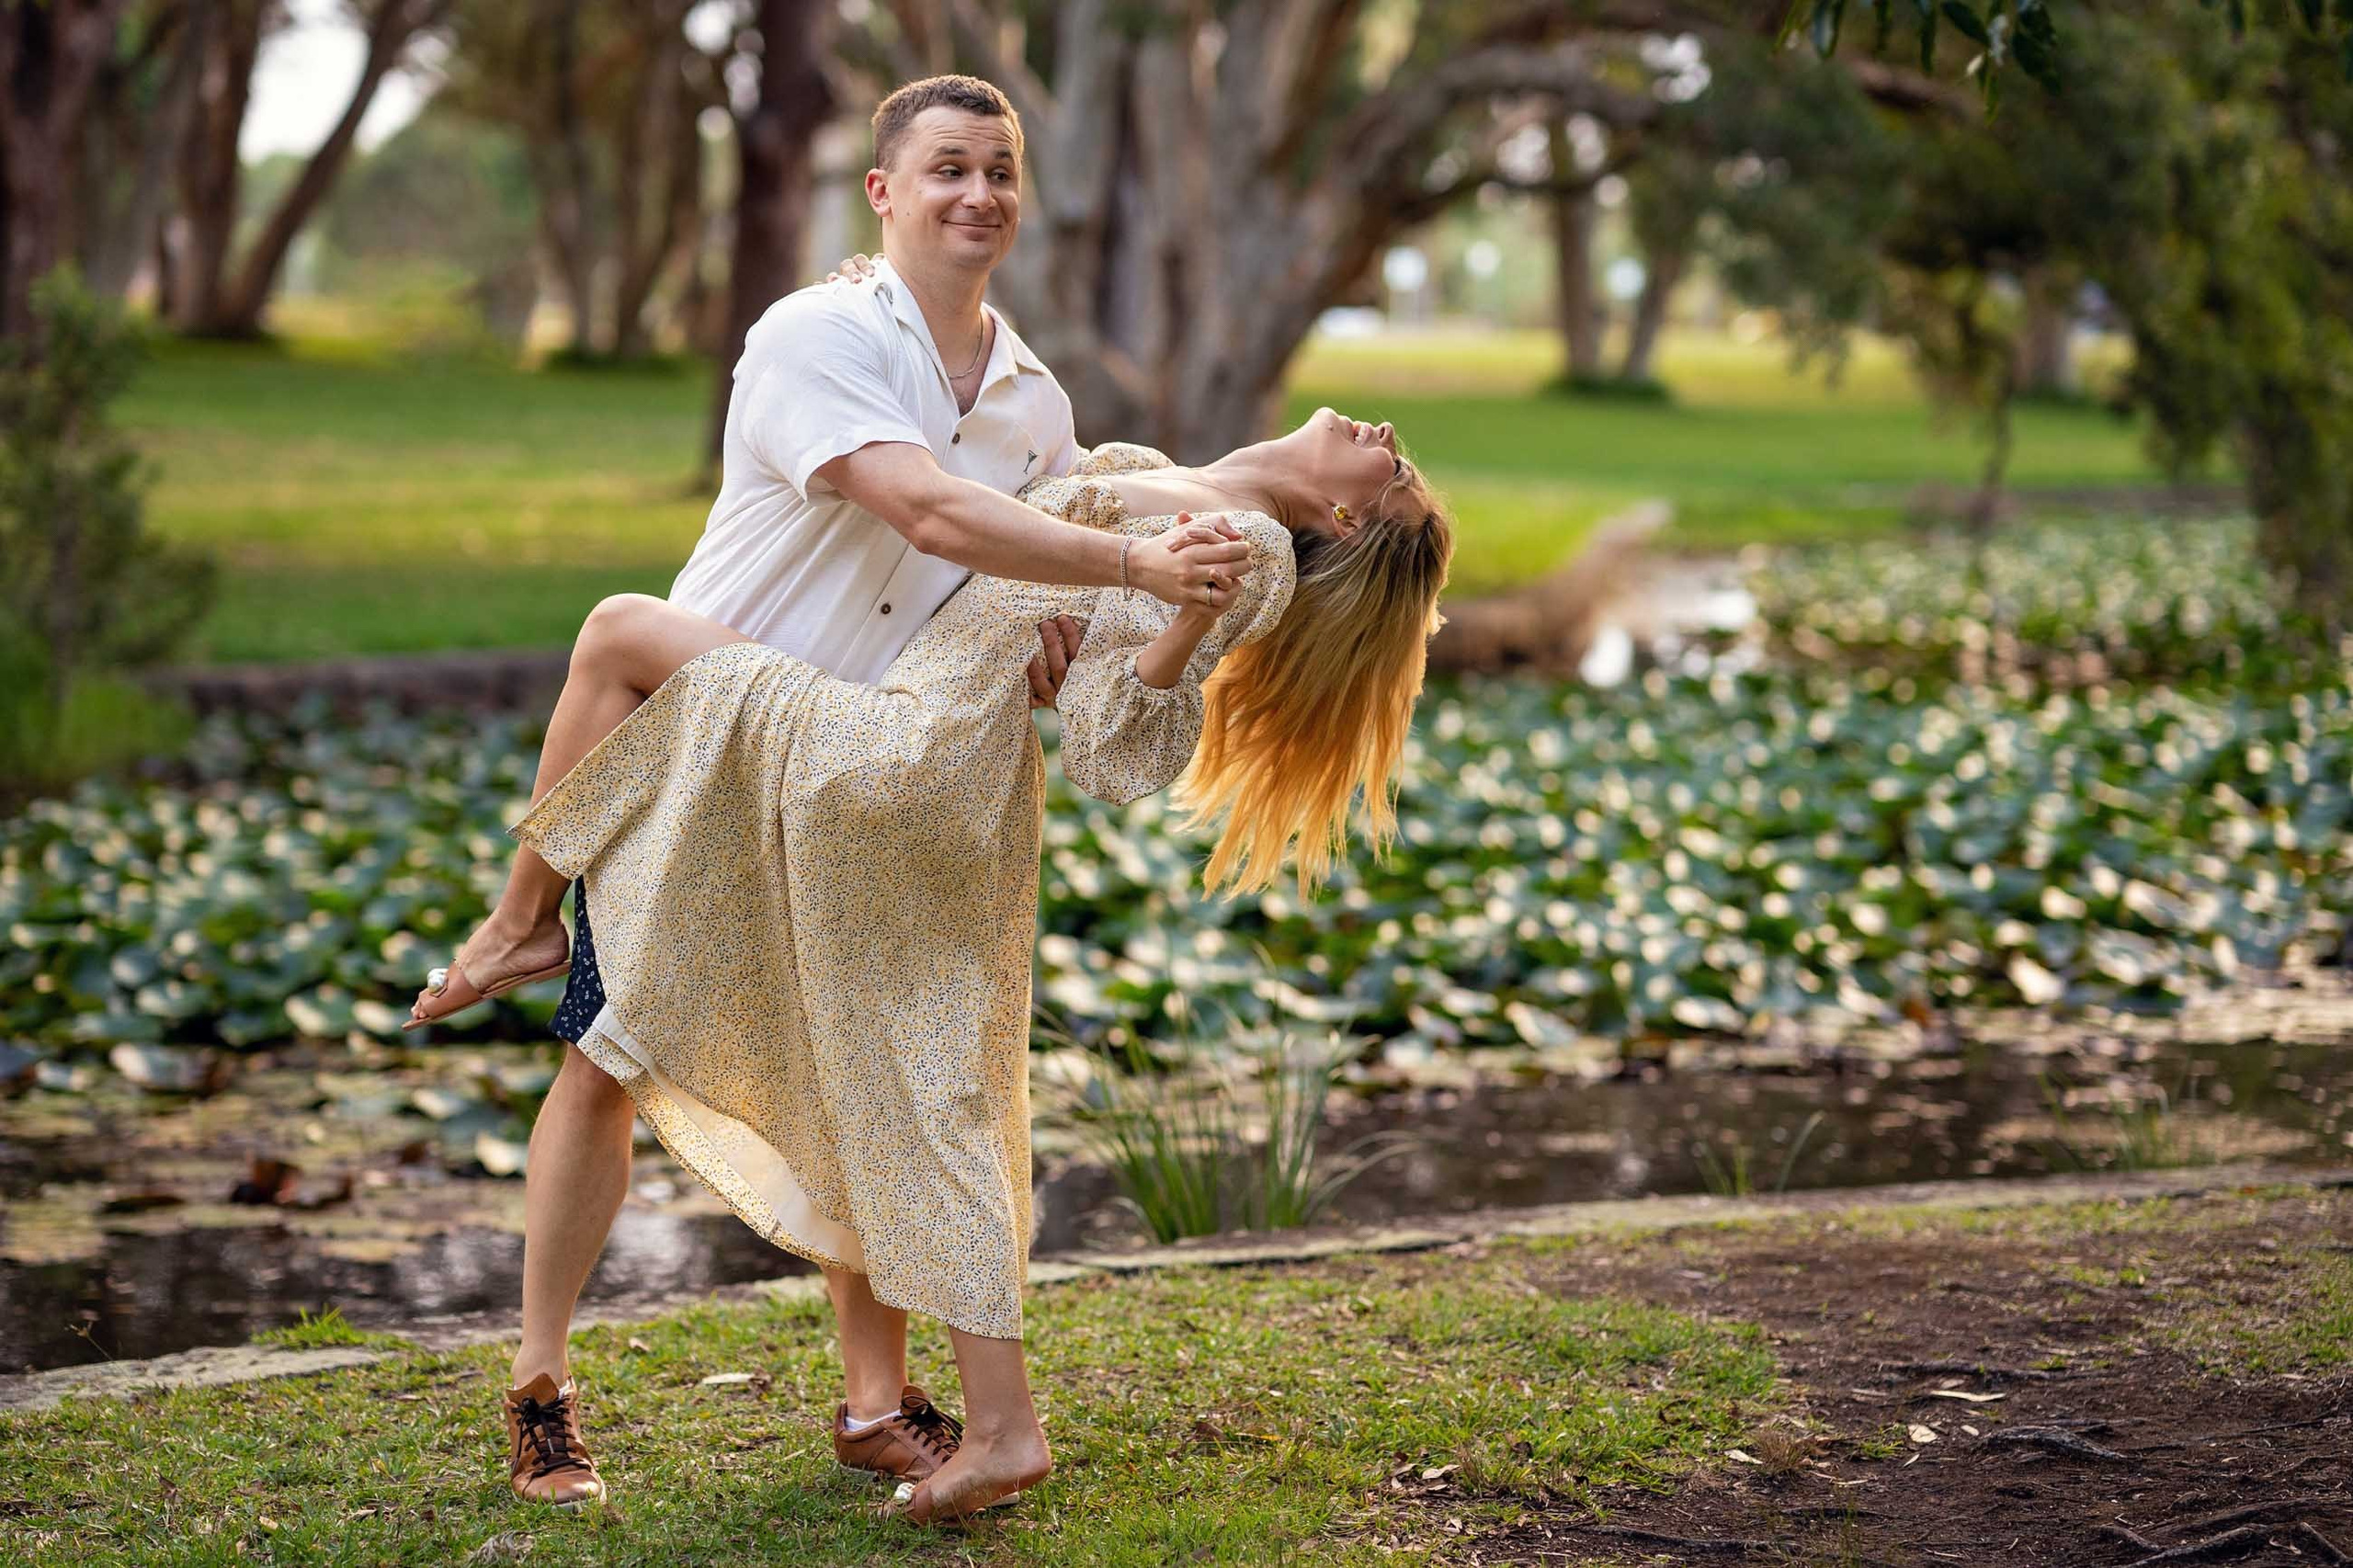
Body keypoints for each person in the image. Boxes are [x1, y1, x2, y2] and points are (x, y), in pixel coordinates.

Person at [399, 74, 1256, 1514]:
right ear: (882, 191)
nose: (977, 193)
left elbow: (997, 566)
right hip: (712, 732)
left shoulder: (1037, 400)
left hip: (859, 772)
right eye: (946, 168)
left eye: (998, 169)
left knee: (867, 1071)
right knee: (607, 1062)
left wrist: (1051, 629)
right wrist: (1124, 568)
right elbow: (922, 507)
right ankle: (541, 1389)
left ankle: (879, 1401)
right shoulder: (818, 333)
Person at [417, 408, 1451, 1522]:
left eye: (1390, 467)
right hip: (930, 762)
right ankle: (901, 1408)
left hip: (905, 754)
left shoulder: (1240, 545)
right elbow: (1007, 510)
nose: (1384, 431)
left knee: (620, 629)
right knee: (902, 1090)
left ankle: (519, 923)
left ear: (1342, 514)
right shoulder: (1160, 474)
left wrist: (1156, 643)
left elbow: (1110, 749)